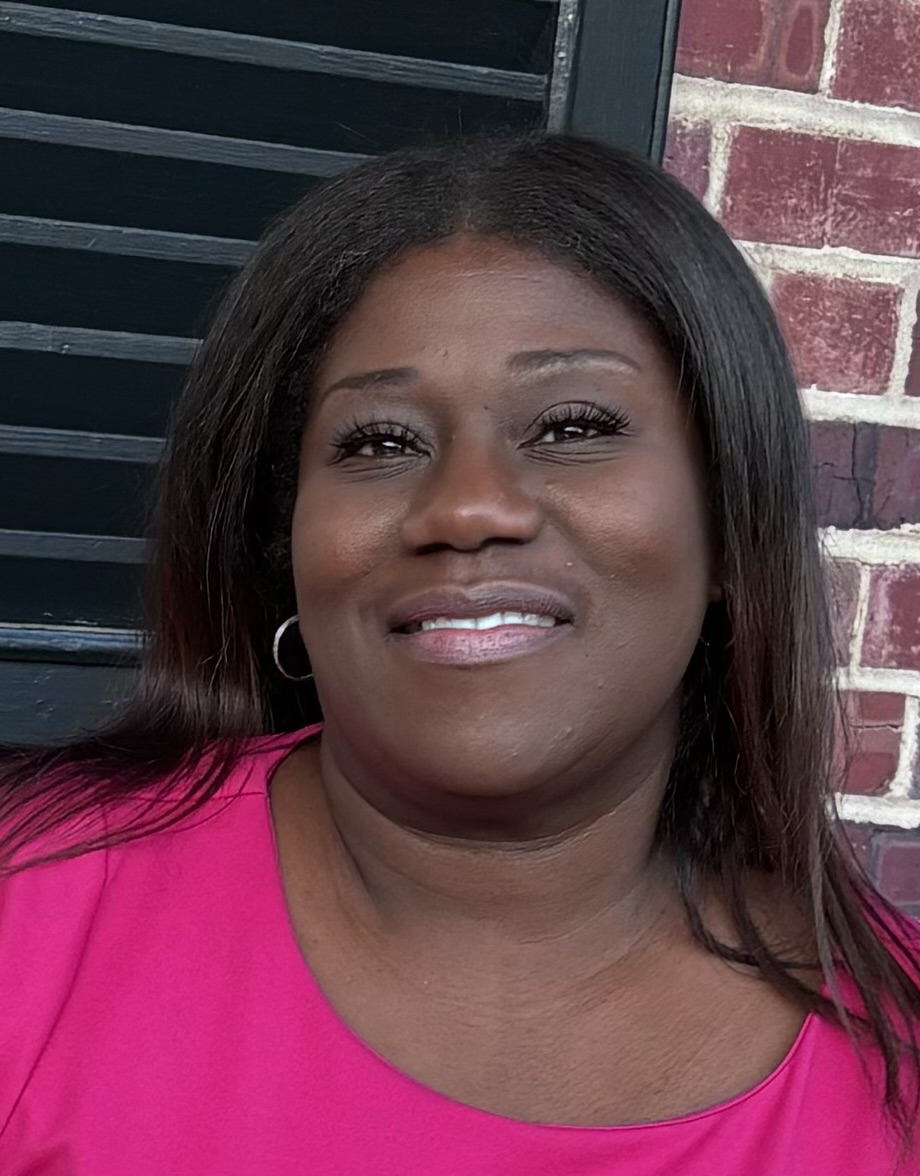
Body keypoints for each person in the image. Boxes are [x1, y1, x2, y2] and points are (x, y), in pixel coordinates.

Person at [0, 133, 918, 1175]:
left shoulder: (892, 1063)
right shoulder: (31, 900)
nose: (468, 507)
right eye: (379, 442)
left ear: (726, 528)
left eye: (572, 426)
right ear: (287, 542)